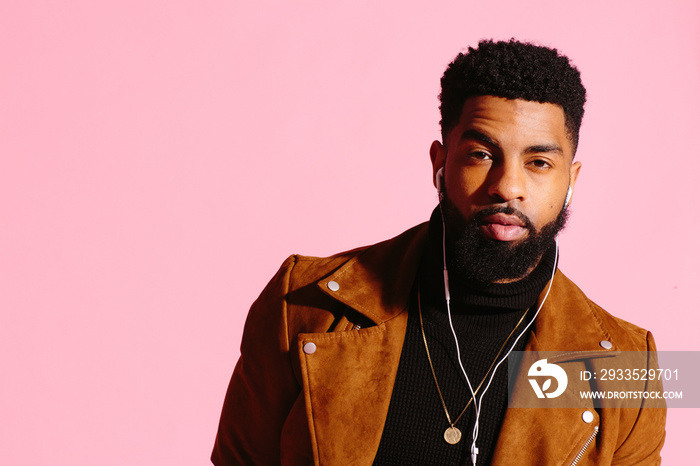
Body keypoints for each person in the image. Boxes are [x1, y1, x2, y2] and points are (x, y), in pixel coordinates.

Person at [212, 39, 666, 465]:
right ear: (440, 162)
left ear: (571, 181)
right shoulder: (304, 303)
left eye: (539, 163)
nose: (507, 186)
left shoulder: (628, 368)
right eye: (481, 155)